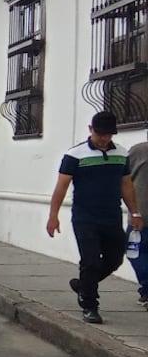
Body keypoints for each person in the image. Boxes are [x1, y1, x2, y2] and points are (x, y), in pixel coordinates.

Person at [46, 111, 143, 324]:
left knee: (115, 259)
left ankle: (84, 285)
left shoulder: (122, 154)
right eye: (100, 134)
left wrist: (135, 212)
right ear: (91, 129)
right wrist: (53, 216)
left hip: (112, 216)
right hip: (85, 217)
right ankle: (89, 305)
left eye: (108, 134)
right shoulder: (75, 155)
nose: (104, 138)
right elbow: (61, 186)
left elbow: (126, 185)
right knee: (90, 260)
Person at [126, 134, 148, 308]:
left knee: (135, 252)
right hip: (140, 213)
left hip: (140, 213)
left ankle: (147, 288)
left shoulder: (139, 150)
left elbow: (125, 178)